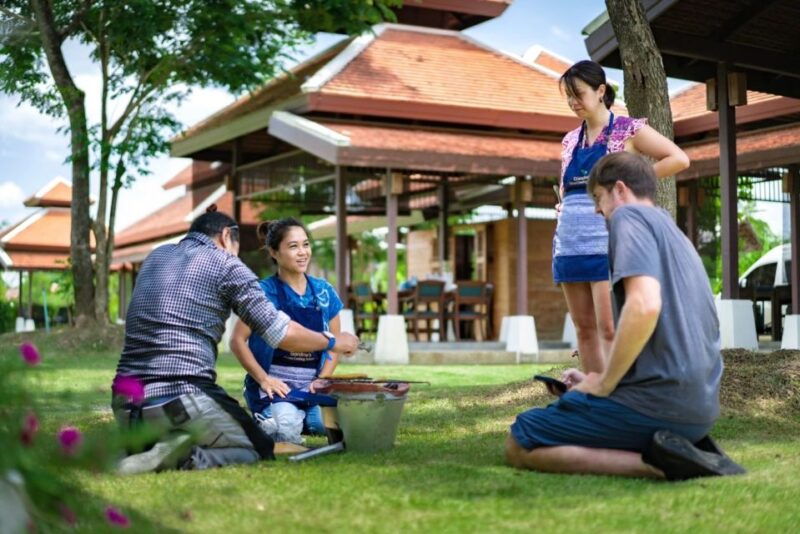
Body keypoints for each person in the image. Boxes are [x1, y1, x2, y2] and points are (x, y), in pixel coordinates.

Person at [507, 152, 744, 480]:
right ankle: (681, 449)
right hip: (699, 409)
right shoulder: (675, 234)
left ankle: (662, 464)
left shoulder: (627, 217)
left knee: (522, 437)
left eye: (598, 198)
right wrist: (598, 379)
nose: (597, 210)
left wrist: (604, 385)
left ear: (619, 189)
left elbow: (644, 305)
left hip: (658, 405)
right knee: (578, 401)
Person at [112, 206, 358, 474]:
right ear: (226, 236)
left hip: (127, 403)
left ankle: (147, 447)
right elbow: (282, 334)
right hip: (182, 395)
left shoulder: (157, 257)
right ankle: (178, 458)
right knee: (258, 448)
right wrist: (332, 342)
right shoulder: (226, 264)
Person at [553, 60, 690, 374]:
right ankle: (592, 393)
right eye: (569, 96)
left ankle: (616, 391)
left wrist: (628, 185)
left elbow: (678, 158)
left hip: (607, 241)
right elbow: (566, 187)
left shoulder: (627, 129)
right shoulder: (570, 140)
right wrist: (564, 206)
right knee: (583, 329)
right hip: (569, 244)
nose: (573, 102)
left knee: (609, 327)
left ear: (601, 91)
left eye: (579, 94)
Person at [230, 218, 343, 445]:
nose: (302, 252)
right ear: (274, 252)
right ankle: (273, 416)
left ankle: (298, 416)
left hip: (310, 389)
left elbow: (336, 343)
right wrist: (264, 379)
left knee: (326, 425)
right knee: (285, 430)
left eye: (306, 244)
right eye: (293, 246)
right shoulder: (263, 293)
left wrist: (322, 379)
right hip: (275, 390)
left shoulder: (324, 291)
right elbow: (237, 341)